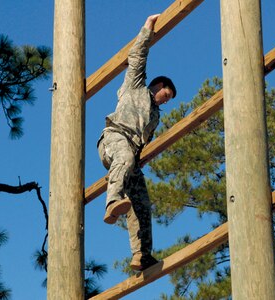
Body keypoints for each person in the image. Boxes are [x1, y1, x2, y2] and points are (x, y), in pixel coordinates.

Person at [97, 14, 177, 271]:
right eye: (167, 94)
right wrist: (147, 28)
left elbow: (142, 147)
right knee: (126, 158)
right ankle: (111, 202)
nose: (167, 101)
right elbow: (137, 57)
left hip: (131, 155)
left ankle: (141, 254)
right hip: (114, 138)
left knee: (142, 202)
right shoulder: (136, 87)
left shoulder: (154, 115)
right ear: (159, 85)